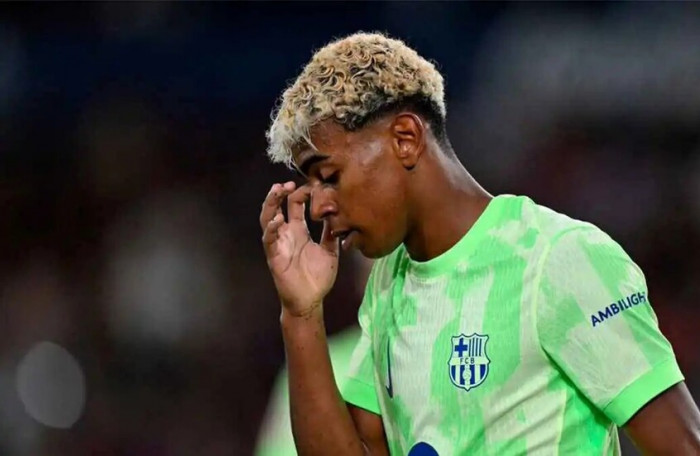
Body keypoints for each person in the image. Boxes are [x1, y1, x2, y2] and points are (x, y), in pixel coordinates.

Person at [259, 32, 700, 455]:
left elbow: (683, 446)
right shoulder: (388, 283)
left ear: (406, 139)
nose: (318, 206)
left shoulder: (558, 256)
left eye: (329, 176)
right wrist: (300, 314)